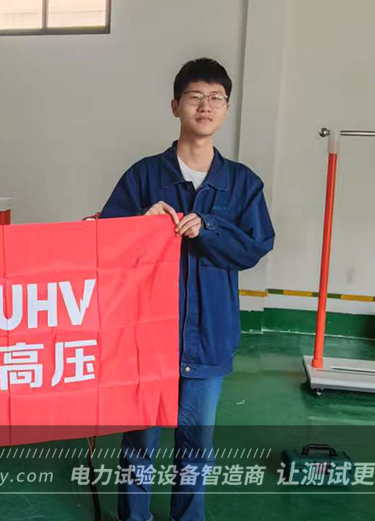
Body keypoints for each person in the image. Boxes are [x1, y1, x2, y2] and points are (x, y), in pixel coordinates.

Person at [100, 57, 275, 521]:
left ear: (227, 108)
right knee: (139, 444)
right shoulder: (144, 177)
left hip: (210, 337)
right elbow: (106, 241)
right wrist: (141, 224)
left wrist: (209, 228)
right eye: (195, 96)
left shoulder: (242, 184)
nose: (205, 105)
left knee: (195, 448)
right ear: (175, 104)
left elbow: (255, 247)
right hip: (148, 339)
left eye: (216, 98)